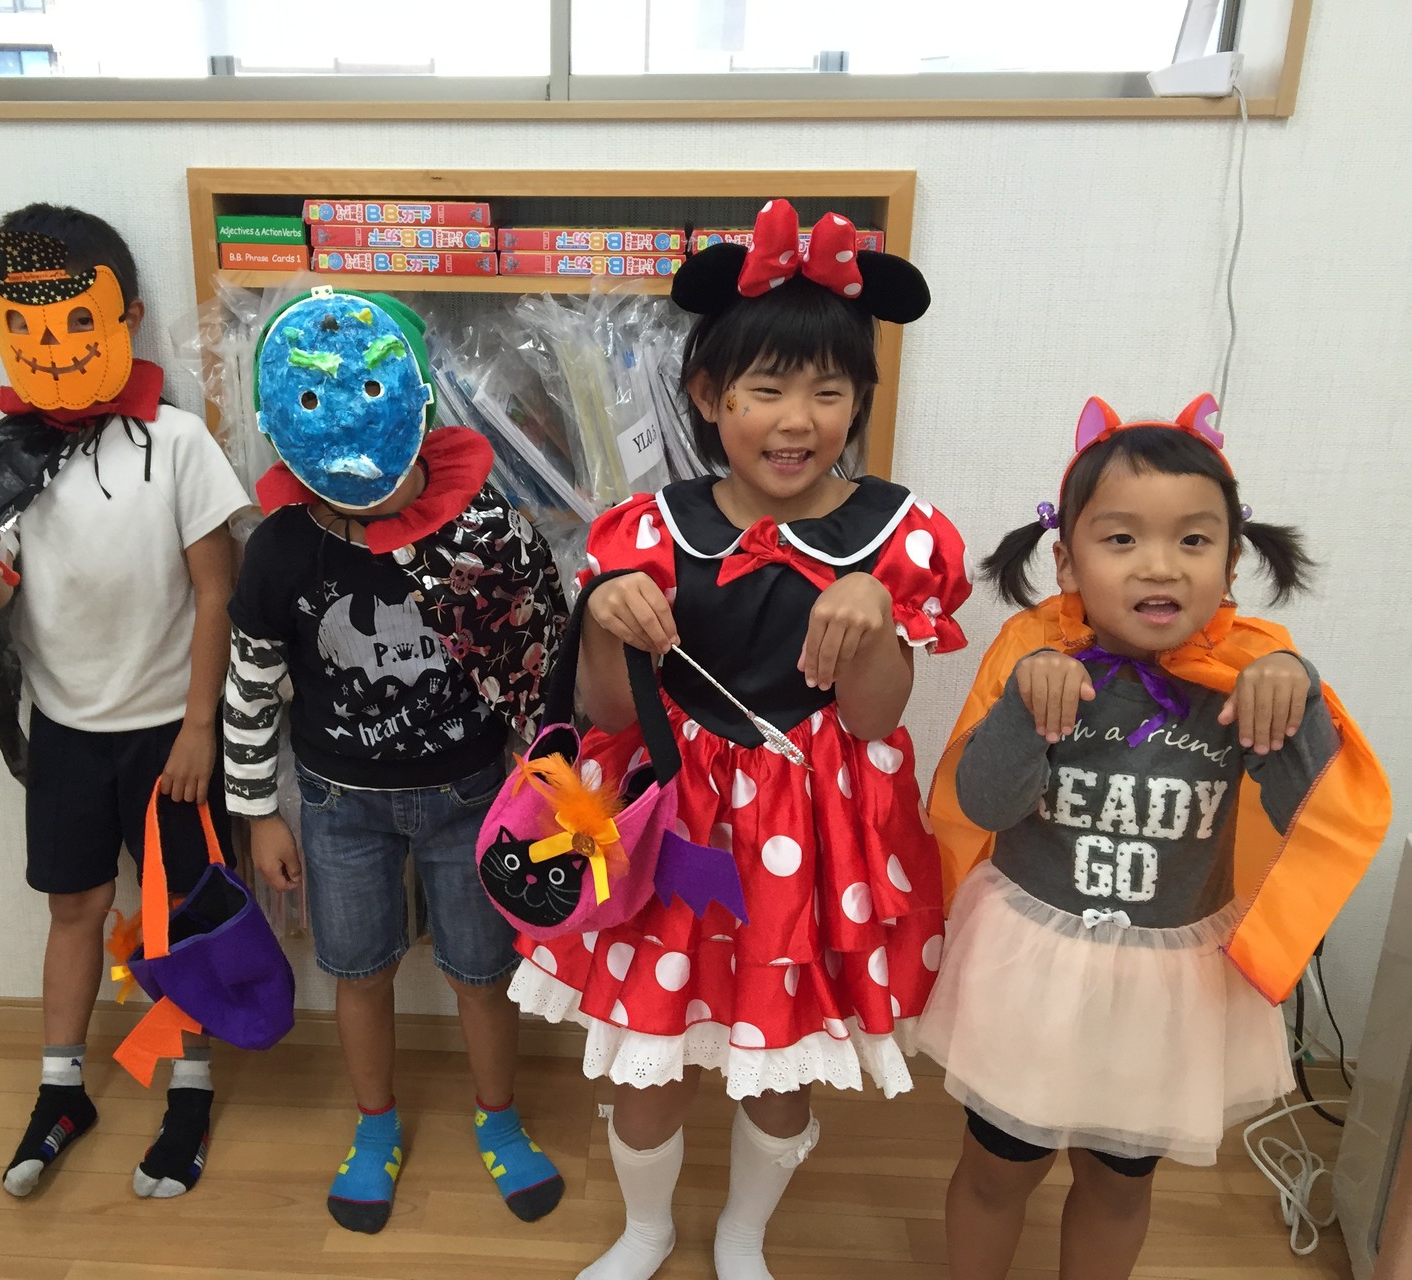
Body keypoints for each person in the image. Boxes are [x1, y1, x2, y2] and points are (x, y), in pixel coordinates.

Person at [508, 198, 971, 1280]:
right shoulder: (648, 529)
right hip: (676, 832)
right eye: (765, 388)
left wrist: (872, 616)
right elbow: (608, 716)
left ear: (859, 400)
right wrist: (604, 616)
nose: (796, 418)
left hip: (817, 843)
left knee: (782, 1071)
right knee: (649, 1068)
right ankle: (646, 1229)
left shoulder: (899, 535)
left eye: (828, 390)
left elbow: (875, 719)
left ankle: (743, 1234)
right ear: (710, 396)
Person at [916, 395, 1392, 1280]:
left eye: (1194, 539)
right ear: (1067, 559)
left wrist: (1296, 692)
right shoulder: (1036, 654)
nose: (1159, 565)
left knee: (1118, 1183)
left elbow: (1310, 815)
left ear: (1232, 560)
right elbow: (982, 804)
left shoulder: (1244, 674)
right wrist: (1024, 705)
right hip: (1033, 968)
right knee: (997, 1168)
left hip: (1163, 988)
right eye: (1122, 538)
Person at [223, 286, 570, 1233]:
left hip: (473, 798)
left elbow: (540, 658)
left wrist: (547, 783)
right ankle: (375, 1124)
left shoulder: (485, 528)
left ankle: (499, 1116)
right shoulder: (280, 550)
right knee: (359, 969)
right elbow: (250, 683)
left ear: (416, 402)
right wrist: (257, 810)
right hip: (340, 807)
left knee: (482, 972)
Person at [0, 203, 251, 1199]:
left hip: (172, 733)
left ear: (126, 318)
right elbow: (1, 597)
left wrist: (201, 726)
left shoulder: (178, 441)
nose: (57, 344)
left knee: (184, 916)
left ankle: (190, 1087)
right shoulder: (1, 459)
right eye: (28, 326)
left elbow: (217, 591)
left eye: (80, 319)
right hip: (66, 729)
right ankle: (61, 1088)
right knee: (74, 903)